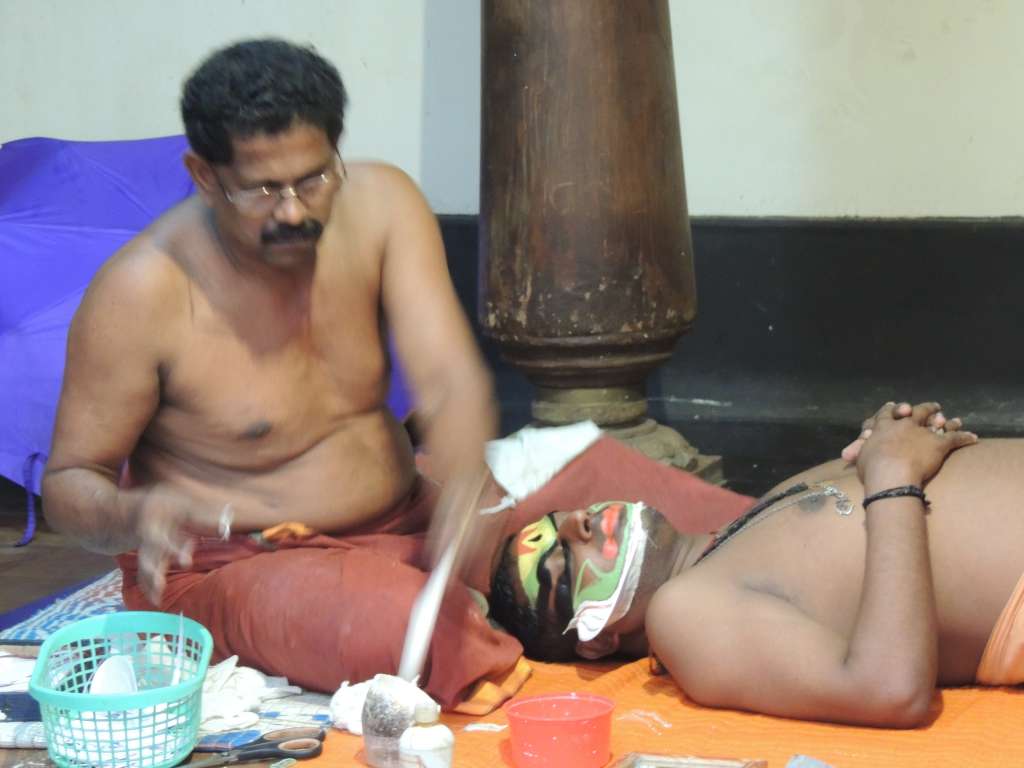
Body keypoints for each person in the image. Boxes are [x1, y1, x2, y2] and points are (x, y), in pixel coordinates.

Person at [40, 38, 520, 709]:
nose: (295, 211)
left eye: (314, 178)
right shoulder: (142, 292)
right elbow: (66, 484)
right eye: (264, 189)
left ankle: (472, 602)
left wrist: (466, 489)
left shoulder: (382, 206)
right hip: (238, 566)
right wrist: (131, 513)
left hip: (409, 510)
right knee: (402, 624)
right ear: (205, 176)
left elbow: (447, 379)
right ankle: (464, 619)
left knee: (605, 518)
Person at [490, 401, 1024, 727]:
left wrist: (897, 437)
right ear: (597, 639)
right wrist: (892, 476)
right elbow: (887, 689)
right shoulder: (682, 613)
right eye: (559, 559)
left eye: (560, 518)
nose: (575, 523)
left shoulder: (734, 535)